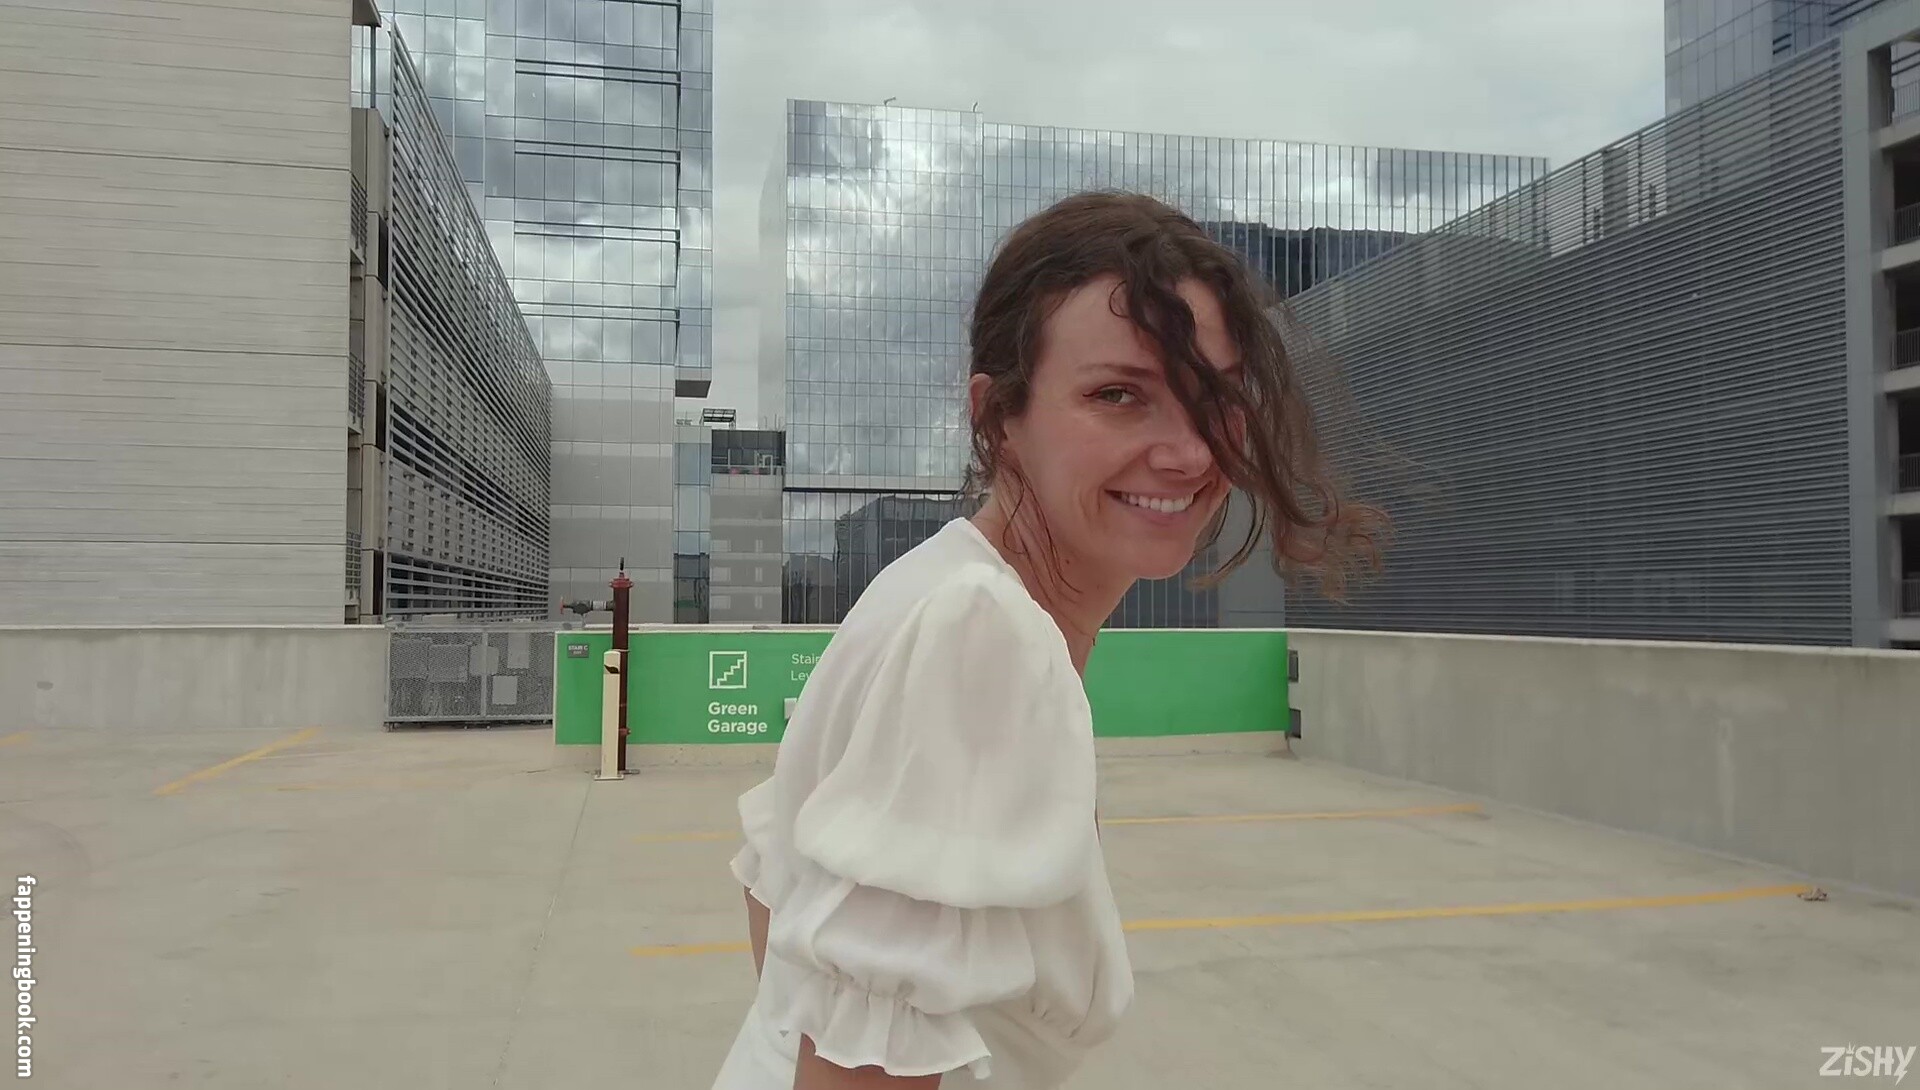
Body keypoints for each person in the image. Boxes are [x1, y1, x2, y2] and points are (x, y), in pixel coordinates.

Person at [711, 191, 1385, 1089]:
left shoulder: (935, 582)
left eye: (1216, 398)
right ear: (999, 417)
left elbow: (770, 880)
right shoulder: (982, 634)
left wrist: (783, 1036)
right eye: (1119, 395)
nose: (1189, 453)